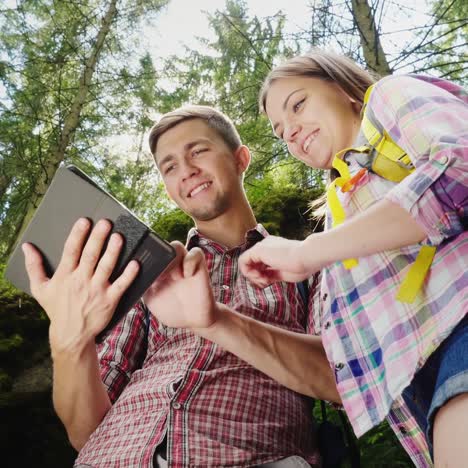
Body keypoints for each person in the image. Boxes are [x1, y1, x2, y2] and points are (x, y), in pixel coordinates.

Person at [146, 51, 467, 468]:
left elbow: (459, 168)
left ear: (341, 86)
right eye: (280, 133)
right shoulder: (336, 215)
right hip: (419, 390)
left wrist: (305, 253)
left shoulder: (388, 97)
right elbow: (342, 362)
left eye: (297, 105)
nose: (292, 132)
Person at [22, 105, 333, 467]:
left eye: (198, 151)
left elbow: (342, 378)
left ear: (240, 158)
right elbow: (84, 433)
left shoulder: (304, 262)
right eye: (169, 166)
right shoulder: (147, 277)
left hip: (255, 457)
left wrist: (215, 321)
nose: (186, 171)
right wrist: (68, 343)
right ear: (169, 189)